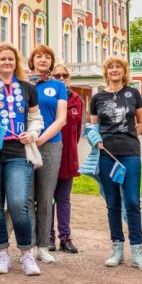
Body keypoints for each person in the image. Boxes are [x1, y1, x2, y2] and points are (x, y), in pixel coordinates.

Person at [0, 43, 43, 275]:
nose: (7, 63)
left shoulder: (27, 88)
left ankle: (26, 254)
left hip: (18, 152)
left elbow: (36, 118)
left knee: (18, 203)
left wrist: (32, 133)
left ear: (17, 63)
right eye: (2, 59)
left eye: (11, 60)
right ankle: (2, 253)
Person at [89, 56, 142, 271]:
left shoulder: (133, 94)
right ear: (105, 72)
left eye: (118, 67)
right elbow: (93, 128)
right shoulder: (97, 98)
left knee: (133, 202)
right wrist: (96, 140)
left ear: (124, 72)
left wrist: (131, 134)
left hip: (130, 154)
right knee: (112, 203)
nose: (114, 70)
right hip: (107, 155)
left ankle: (137, 252)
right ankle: (117, 250)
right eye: (110, 67)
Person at [26, 45, 67, 263]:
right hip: (26, 144)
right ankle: (30, 245)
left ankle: (43, 245)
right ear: (32, 61)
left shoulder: (58, 86)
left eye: (47, 57)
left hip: (50, 144)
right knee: (28, 196)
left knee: (45, 196)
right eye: (39, 56)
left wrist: (41, 138)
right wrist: (31, 138)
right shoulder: (23, 83)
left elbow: (61, 119)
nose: (43, 60)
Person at [50, 63, 83, 253]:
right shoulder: (47, 97)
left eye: (65, 75)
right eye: (57, 76)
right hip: (49, 155)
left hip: (68, 156)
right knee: (47, 199)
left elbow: (77, 132)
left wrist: (70, 149)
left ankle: (65, 238)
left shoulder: (76, 99)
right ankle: (48, 236)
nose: (61, 79)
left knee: (64, 199)